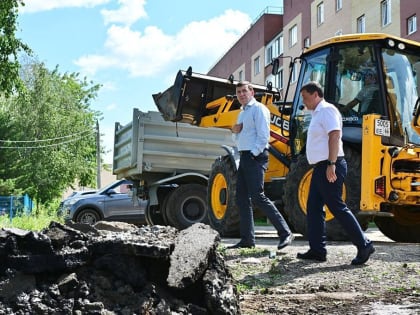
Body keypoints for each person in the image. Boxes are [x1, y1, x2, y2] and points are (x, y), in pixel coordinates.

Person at [297, 81, 375, 265]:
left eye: (306, 98)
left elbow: (334, 135)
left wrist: (331, 164)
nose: (304, 102)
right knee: (314, 208)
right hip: (320, 167)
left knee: (337, 207)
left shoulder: (327, 110)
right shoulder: (317, 114)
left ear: (316, 94)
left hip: (330, 165)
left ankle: (364, 245)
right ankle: (317, 250)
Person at [228, 81, 294, 250]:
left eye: (244, 91)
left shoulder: (259, 109)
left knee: (258, 196)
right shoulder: (242, 113)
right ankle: (247, 240)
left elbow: (264, 135)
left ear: (252, 92)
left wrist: (253, 153)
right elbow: (239, 137)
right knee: (241, 198)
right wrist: (235, 131)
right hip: (244, 155)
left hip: (254, 156)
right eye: (238, 92)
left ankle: (285, 233)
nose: (241, 94)